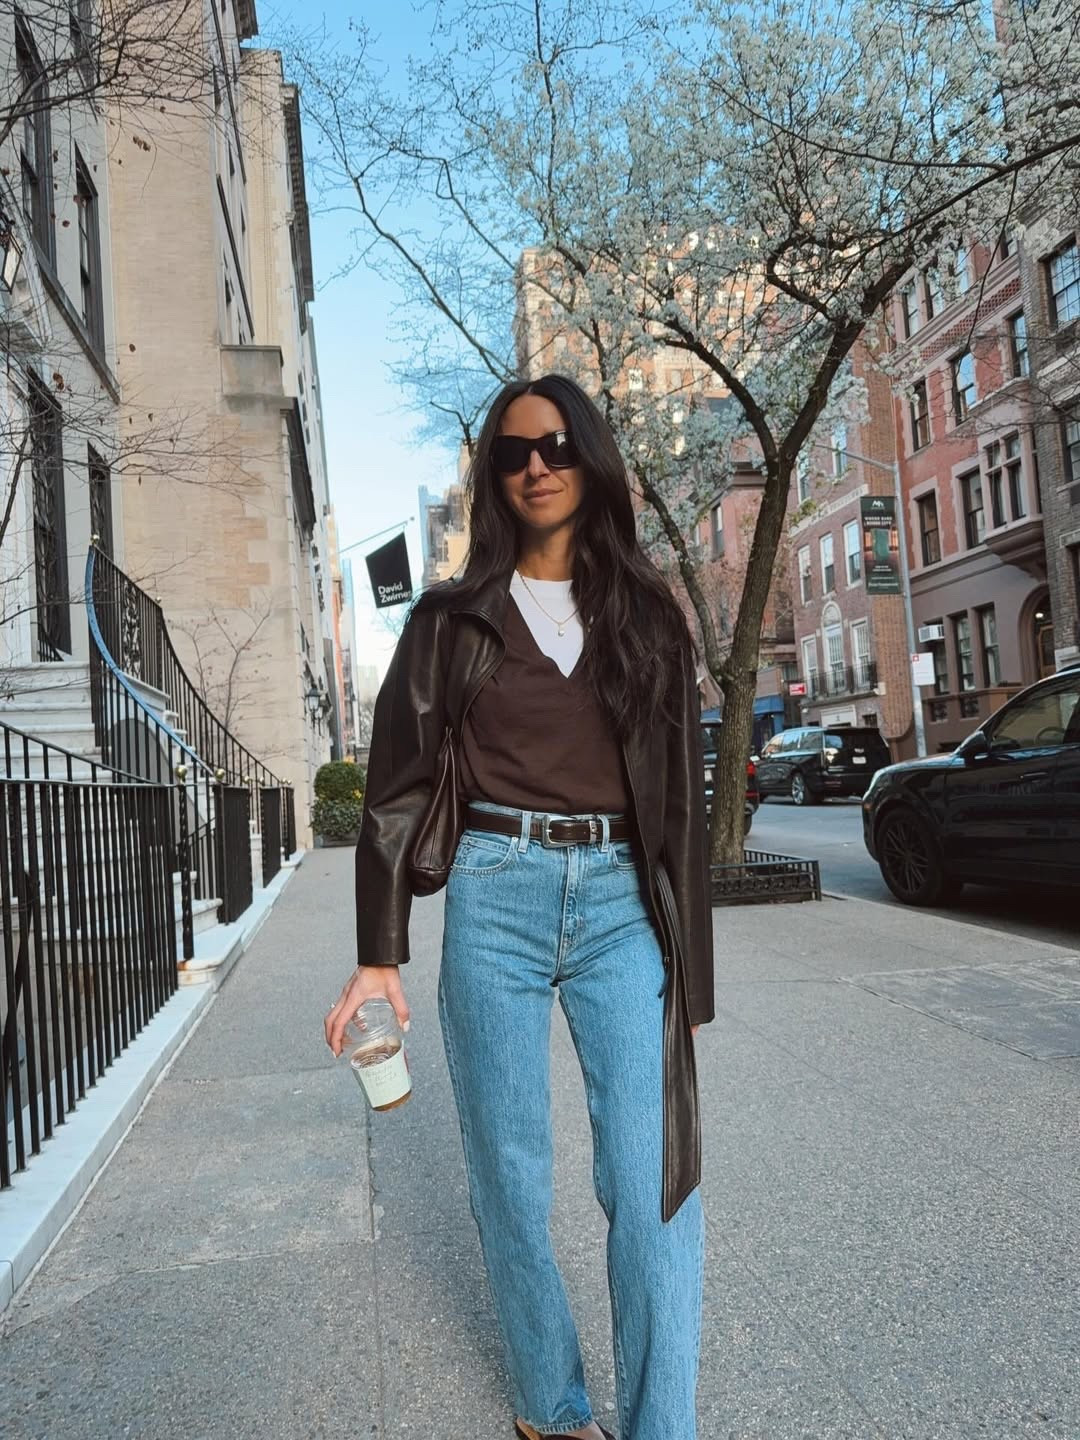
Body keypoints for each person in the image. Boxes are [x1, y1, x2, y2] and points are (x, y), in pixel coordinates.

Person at [325, 373, 713, 1440]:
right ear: (493, 478)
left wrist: (692, 974)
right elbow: (397, 788)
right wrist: (379, 954)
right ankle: (551, 1407)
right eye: (510, 453)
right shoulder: (452, 620)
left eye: (552, 445)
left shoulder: (648, 614)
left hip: (625, 903)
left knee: (653, 1185)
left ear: (588, 458)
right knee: (508, 1173)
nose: (533, 465)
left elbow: (682, 801)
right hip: (495, 891)